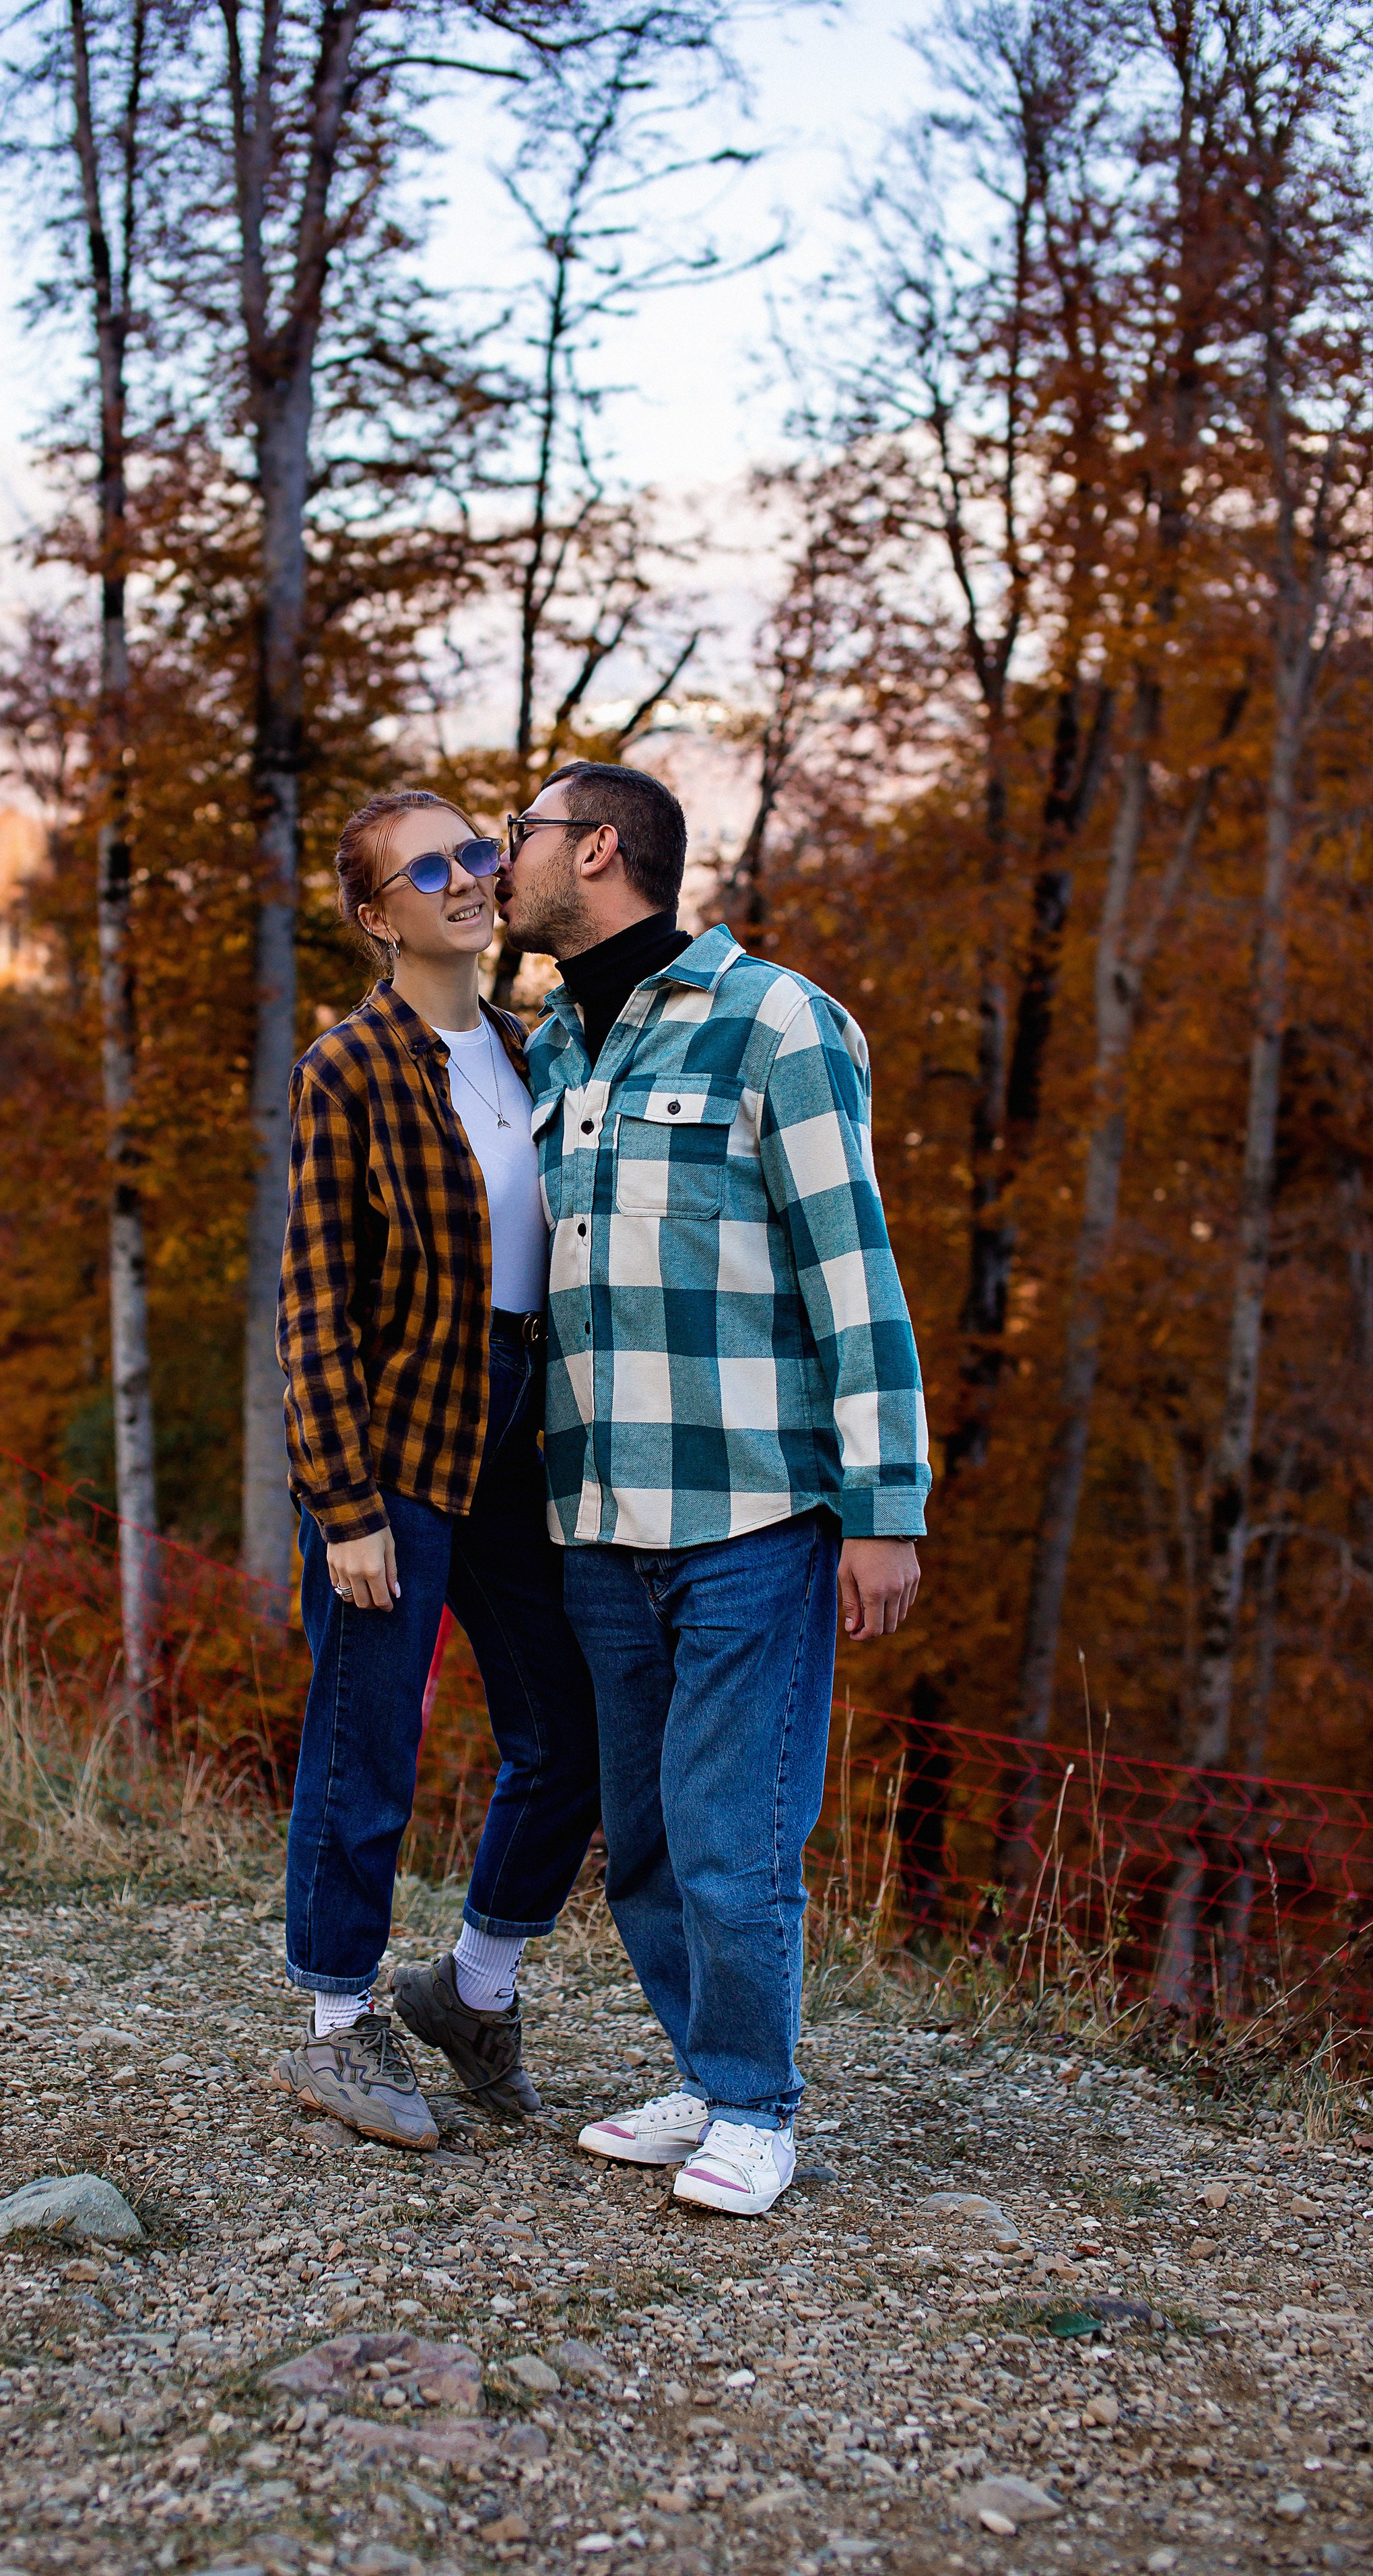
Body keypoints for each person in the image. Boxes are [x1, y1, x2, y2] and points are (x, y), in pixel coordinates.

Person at [497, 759, 929, 2216]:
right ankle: (698, 2068)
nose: (507, 860)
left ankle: (755, 2106)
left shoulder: (777, 1023)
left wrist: (883, 1508)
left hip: (750, 1511)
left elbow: (851, 1273)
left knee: (732, 1833)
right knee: (645, 1839)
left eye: (524, 837)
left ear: (600, 850)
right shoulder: (557, 1041)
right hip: (598, 1516)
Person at [274, 788, 601, 2150]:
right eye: (431, 868)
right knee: (369, 1745)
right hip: (398, 1440)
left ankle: (470, 1993)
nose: (469, 877)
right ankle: (337, 2031)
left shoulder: (531, 1050)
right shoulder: (346, 1067)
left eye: (479, 851)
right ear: (374, 916)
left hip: (520, 1435)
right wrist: (345, 1507)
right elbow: (312, 1304)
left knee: (569, 1726)